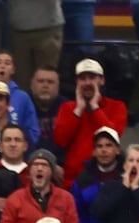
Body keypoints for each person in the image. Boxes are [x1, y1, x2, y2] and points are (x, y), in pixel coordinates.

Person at [52, 58, 127, 187]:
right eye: (82, 78)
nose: (87, 83)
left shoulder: (117, 106)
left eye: (92, 78)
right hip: (72, 181)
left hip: (106, 179)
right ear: (77, 82)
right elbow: (61, 140)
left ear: (102, 80)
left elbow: (113, 135)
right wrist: (78, 110)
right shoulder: (67, 108)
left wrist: (95, 107)